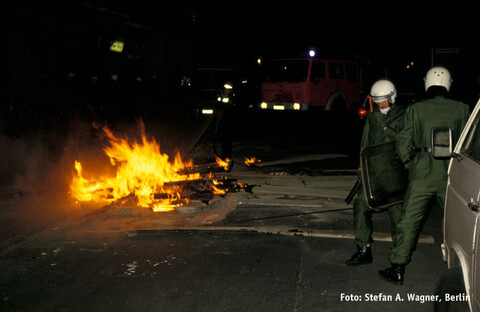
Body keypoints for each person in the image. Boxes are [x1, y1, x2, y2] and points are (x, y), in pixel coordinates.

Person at [379, 66, 470, 285]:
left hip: (422, 174)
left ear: (426, 83)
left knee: (409, 222)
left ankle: (398, 268)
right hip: (451, 175)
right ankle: (467, 269)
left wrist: (410, 163)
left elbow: (403, 144)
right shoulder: (462, 109)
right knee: (460, 221)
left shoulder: (415, 110)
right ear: (449, 83)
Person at [345, 79, 406, 266]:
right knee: (360, 205)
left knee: (398, 217)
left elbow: (404, 143)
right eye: (377, 100)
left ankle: (398, 258)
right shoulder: (372, 116)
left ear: (392, 97)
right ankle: (363, 249)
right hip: (374, 173)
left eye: (383, 100)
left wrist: (386, 128)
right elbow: (365, 145)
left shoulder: (405, 115)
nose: (380, 104)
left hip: (394, 175)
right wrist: (360, 169)